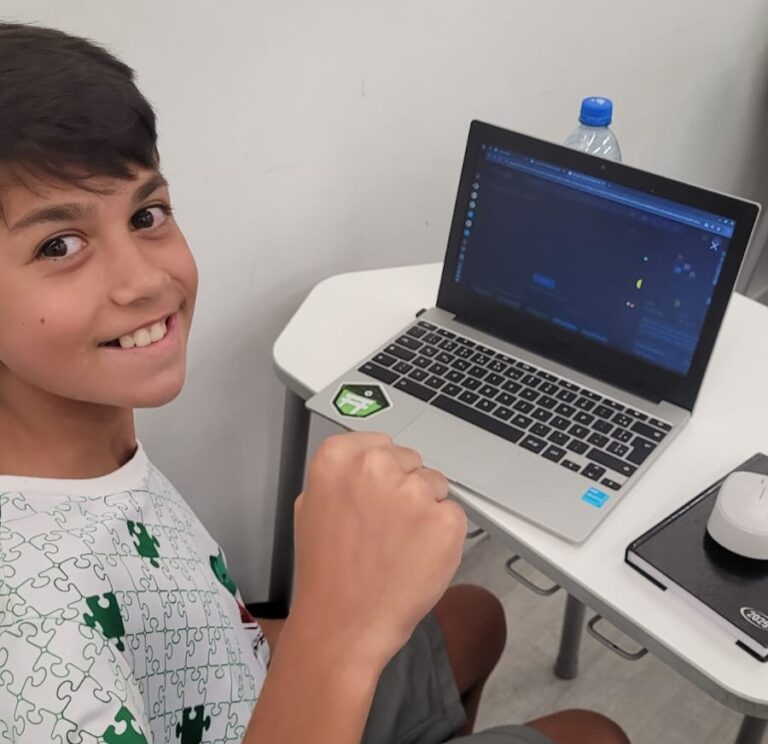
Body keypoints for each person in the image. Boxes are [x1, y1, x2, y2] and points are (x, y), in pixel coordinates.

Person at [0, 22, 630, 744]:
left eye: (147, 215)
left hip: (253, 691)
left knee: (478, 617)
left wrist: (322, 624)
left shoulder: (86, 440)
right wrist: (338, 629)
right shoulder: (30, 650)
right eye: (59, 245)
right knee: (594, 733)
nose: (145, 280)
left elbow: (196, 631)